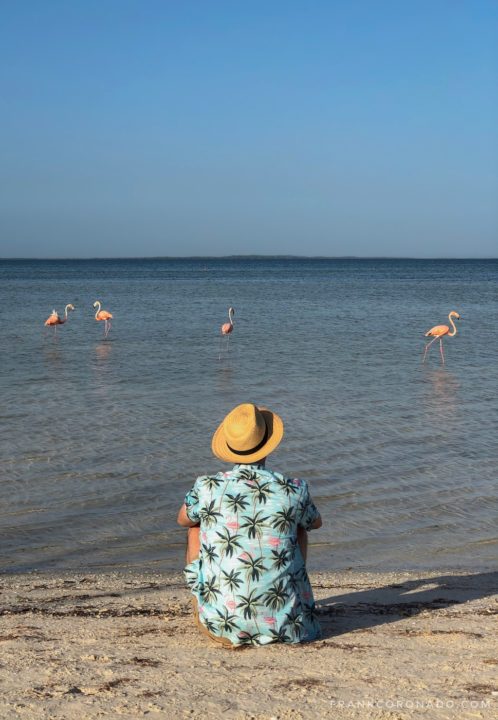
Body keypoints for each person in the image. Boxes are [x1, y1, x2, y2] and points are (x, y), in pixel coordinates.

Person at [177, 402, 322, 647]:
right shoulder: (293, 488)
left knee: (195, 526)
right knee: (299, 526)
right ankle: (289, 592)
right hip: (289, 627)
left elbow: (182, 519)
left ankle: (204, 598)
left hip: (222, 624)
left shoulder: (206, 486)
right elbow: (315, 523)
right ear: (267, 446)